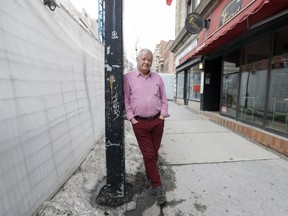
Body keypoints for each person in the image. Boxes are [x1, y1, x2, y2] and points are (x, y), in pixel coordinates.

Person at [123, 48, 169, 205]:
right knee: (149, 155)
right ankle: (157, 186)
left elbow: (164, 98)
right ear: (137, 59)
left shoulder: (157, 78)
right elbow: (126, 100)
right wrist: (132, 119)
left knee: (153, 154)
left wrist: (162, 116)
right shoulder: (128, 78)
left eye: (149, 59)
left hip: (157, 121)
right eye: (144, 58)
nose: (146, 62)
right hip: (140, 123)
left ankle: (151, 177)